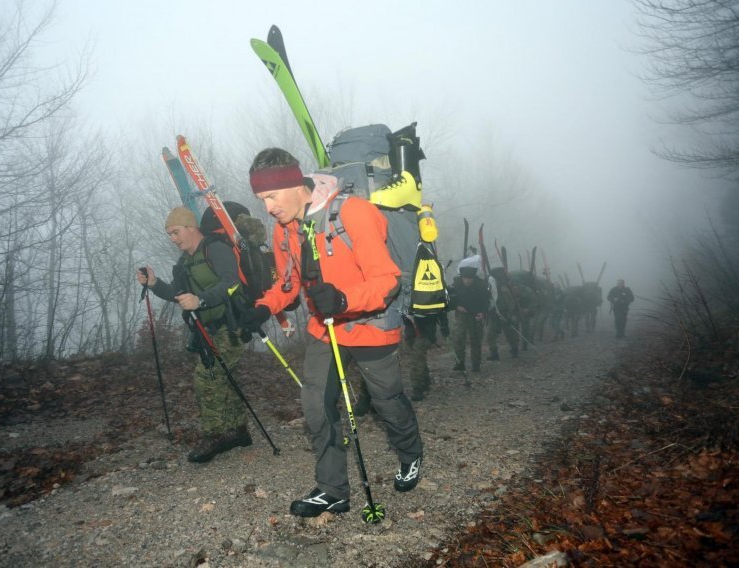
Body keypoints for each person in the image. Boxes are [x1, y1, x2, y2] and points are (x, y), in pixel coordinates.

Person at [238, 148, 424, 518]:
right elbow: (289, 285)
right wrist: (263, 306)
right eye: (261, 199)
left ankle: (411, 453)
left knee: (387, 402)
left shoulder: (353, 212)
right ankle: (332, 490)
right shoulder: (283, 230)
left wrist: (343, 299)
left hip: (370, 326)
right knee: (316, 407)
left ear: (295, 184)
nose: (267, 207)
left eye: (271, 196)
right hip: (324, 329)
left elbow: (387, 282)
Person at [136, 206, 251, 463]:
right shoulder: (184, 263)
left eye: (176, 232)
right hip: (208, 329)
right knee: (223, 376)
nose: (173, 239)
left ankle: (215, 434)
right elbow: (176, 295)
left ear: (191, 227)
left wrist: (200, 300)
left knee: (207, 376)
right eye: (169, 235)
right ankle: (238, 431)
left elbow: (231, 283)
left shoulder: (216, 249)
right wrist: (154, 284)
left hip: (231, 324)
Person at [451, 256, 492, 372]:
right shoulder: (457, 284)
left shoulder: (481, 285)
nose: (467, 281)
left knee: (476, 340)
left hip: (476, 315)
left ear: (473, 278)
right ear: (462, 277)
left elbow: (486, 301)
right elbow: (450, 299)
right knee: (459, 339)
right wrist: (457, 307)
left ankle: (476, 364)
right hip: (462, 315)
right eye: (465, 278)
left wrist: (483, 313)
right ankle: (459, 363)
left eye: (470, 278)